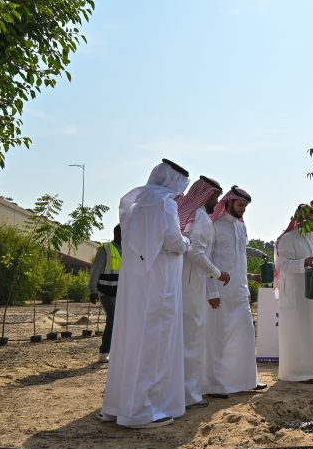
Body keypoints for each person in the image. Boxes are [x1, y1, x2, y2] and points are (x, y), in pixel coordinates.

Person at [100, 159, 190, 429]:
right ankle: (142, 410)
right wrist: (187, 241)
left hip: (136, 284)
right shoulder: (165, 203)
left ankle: (116, 406)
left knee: (130, 341)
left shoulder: (138, 201)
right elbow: (173, 242)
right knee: (155, 343)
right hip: (159, 285)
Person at [203, 186, 267, 398]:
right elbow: (208, 260)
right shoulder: (215, 226)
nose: (243, 210)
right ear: (228, 202)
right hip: (219, 291)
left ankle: (247, 380)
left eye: (246, 207)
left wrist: (246, 288)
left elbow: (241, 261)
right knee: (219, 339)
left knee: (246, 334)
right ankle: (216, 385)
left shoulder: (241, 227)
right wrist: (211, 291)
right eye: (240, 205)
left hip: (239, 292)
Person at [177, 175, 230, 409]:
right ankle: (189, 395)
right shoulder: (200, 217)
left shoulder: (191, 215)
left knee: (184, 337)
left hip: (185, 282)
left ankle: (182, 390)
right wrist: (219, 274)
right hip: (190, 284)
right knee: (191, 338)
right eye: (215, 197)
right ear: (205, 195)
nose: (216, 202)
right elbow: (197, 254)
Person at [275, 204, 313, 383]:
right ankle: (297, 373)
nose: (311, 222)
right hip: (296, 295)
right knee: (298, 333)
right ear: (300, 219)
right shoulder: (288, 238)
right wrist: (303, 262)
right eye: (308, 218)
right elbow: (285, 265)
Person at [89, 224, 122, 363]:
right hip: (106, 292)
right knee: (113, 319)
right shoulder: (106, 249)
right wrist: (92, 290)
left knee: (115, 320)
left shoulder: (129, 249)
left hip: (120, 293)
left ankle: (113, 351)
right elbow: (96, 270)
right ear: (119, 234)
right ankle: (104, 352)